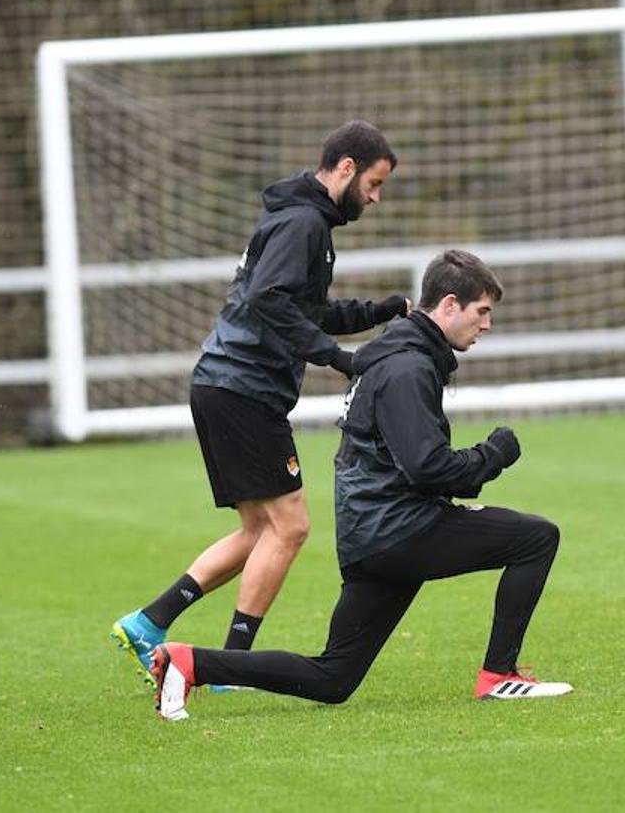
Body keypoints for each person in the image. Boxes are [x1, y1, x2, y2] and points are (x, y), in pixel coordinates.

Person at [149, 249, 572, 720]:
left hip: (369, 537)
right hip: (399, 530)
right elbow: (428, 467)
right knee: (536, 538)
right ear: (449, 305)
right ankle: (500, 675)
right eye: (482, 312)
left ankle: (189, 662)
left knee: (333, 678)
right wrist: (493, 454)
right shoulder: (408, 368)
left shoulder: (396, 356)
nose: (487, 325)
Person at [111, 120, 410, 687]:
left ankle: (150, 622)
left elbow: (303, 309)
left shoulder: (299, 218)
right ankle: (227, 660)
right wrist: (336, 358)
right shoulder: (304, 223)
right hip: (243, 390)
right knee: (291, 528)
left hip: (226, 386)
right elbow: (270, 300)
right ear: (345, 168)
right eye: (373, 183)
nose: (374, 198)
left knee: (261, 529)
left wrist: (377, 311)